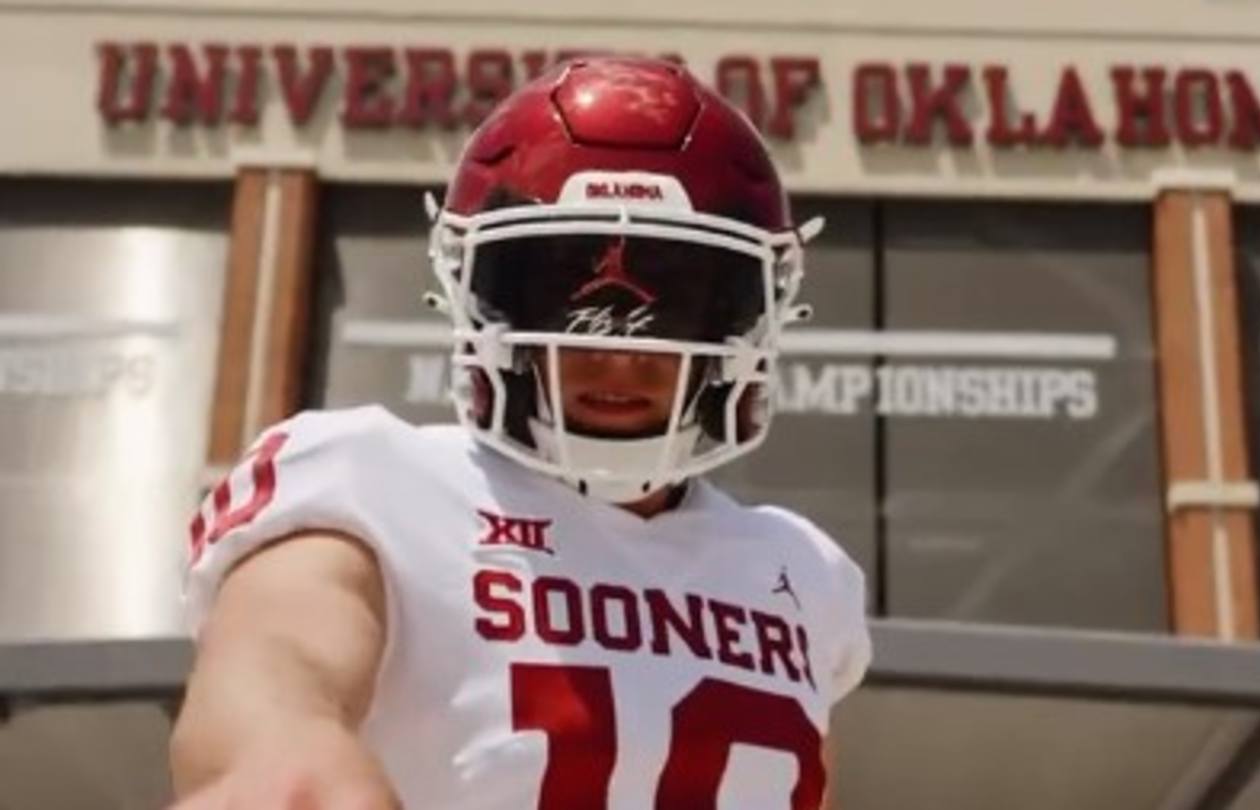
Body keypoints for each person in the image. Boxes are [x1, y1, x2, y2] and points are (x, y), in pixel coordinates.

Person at [170, 56, 871, 810]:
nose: (618, 352)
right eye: (564, 300)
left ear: (740, 320)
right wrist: (290, 760)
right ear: (490, 301)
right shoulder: (371, 487)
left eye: (672, 306)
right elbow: (277, 692)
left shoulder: (800, 572)